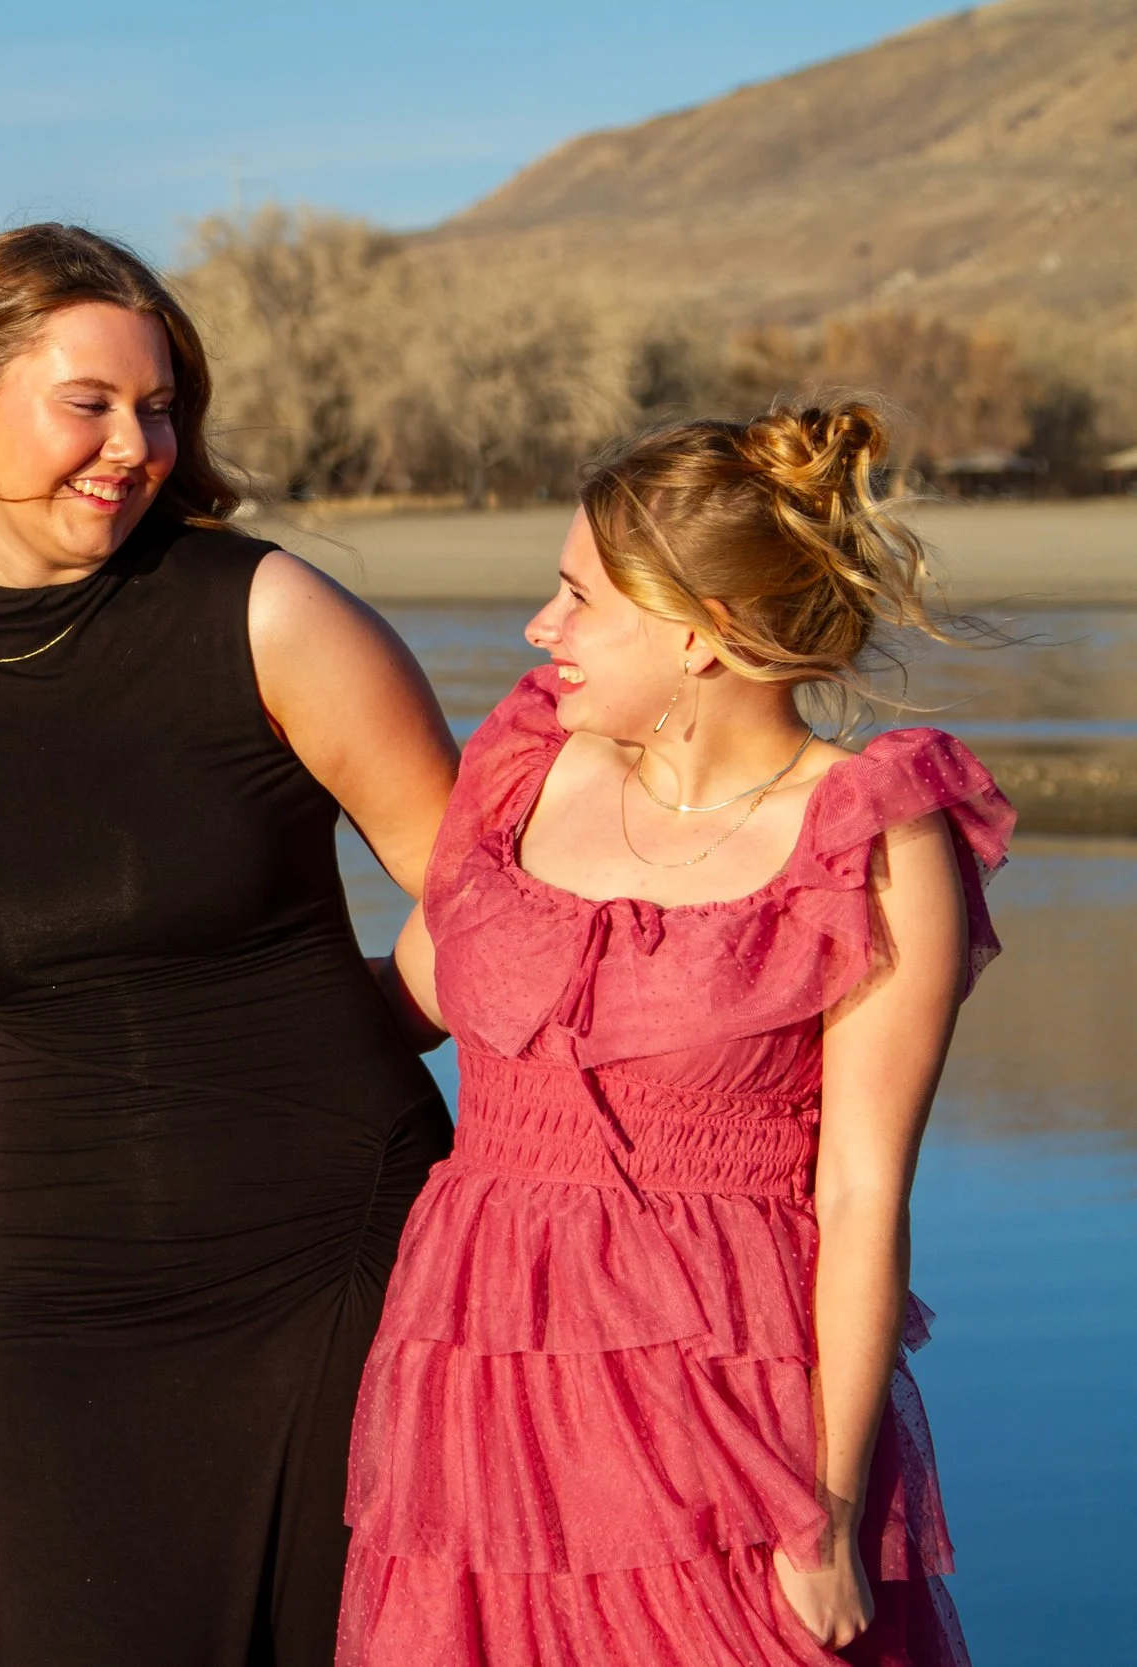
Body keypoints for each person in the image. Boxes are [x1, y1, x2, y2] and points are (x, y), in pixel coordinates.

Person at [0, 223, 461, 1666]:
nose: (134, 444)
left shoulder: (264, 611)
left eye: (157, 408)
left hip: (338, 1233)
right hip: (62, 1279)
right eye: (89, 401)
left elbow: (486, 913)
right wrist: (65, 1071)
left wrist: (313, 1031)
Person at [339, 400, 1005, 1667]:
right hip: (481, 1360)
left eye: (577, 596)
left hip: (717, 1392)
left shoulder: (868, 838)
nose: (542, 628)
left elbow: (862, 1193)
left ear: (699, 634)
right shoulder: (526, 760)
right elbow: (413, 989)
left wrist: (829, 1509)